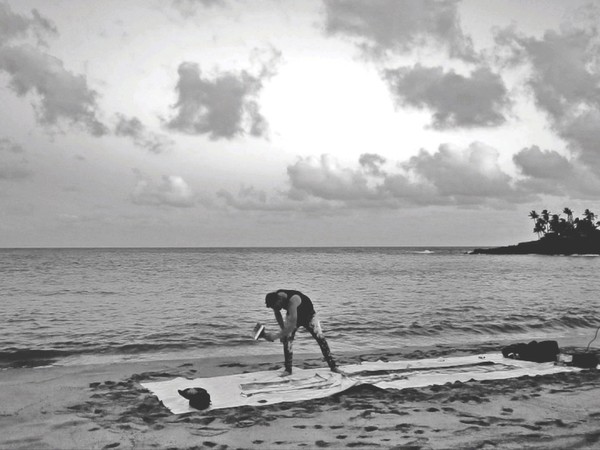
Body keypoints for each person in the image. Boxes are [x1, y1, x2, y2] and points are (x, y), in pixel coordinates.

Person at [262, 289, 341, 375]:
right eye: (274, 307)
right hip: (292, 315)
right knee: (287, 340)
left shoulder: (293, 300)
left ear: (280, 300)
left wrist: (275, 336)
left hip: (309, 316)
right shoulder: (275, 298)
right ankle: (288, 370)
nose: (276, 309)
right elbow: (277, 314)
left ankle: (333, 366)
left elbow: (292, 324)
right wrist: (282, 330)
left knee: (320, 339)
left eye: (276, 306)